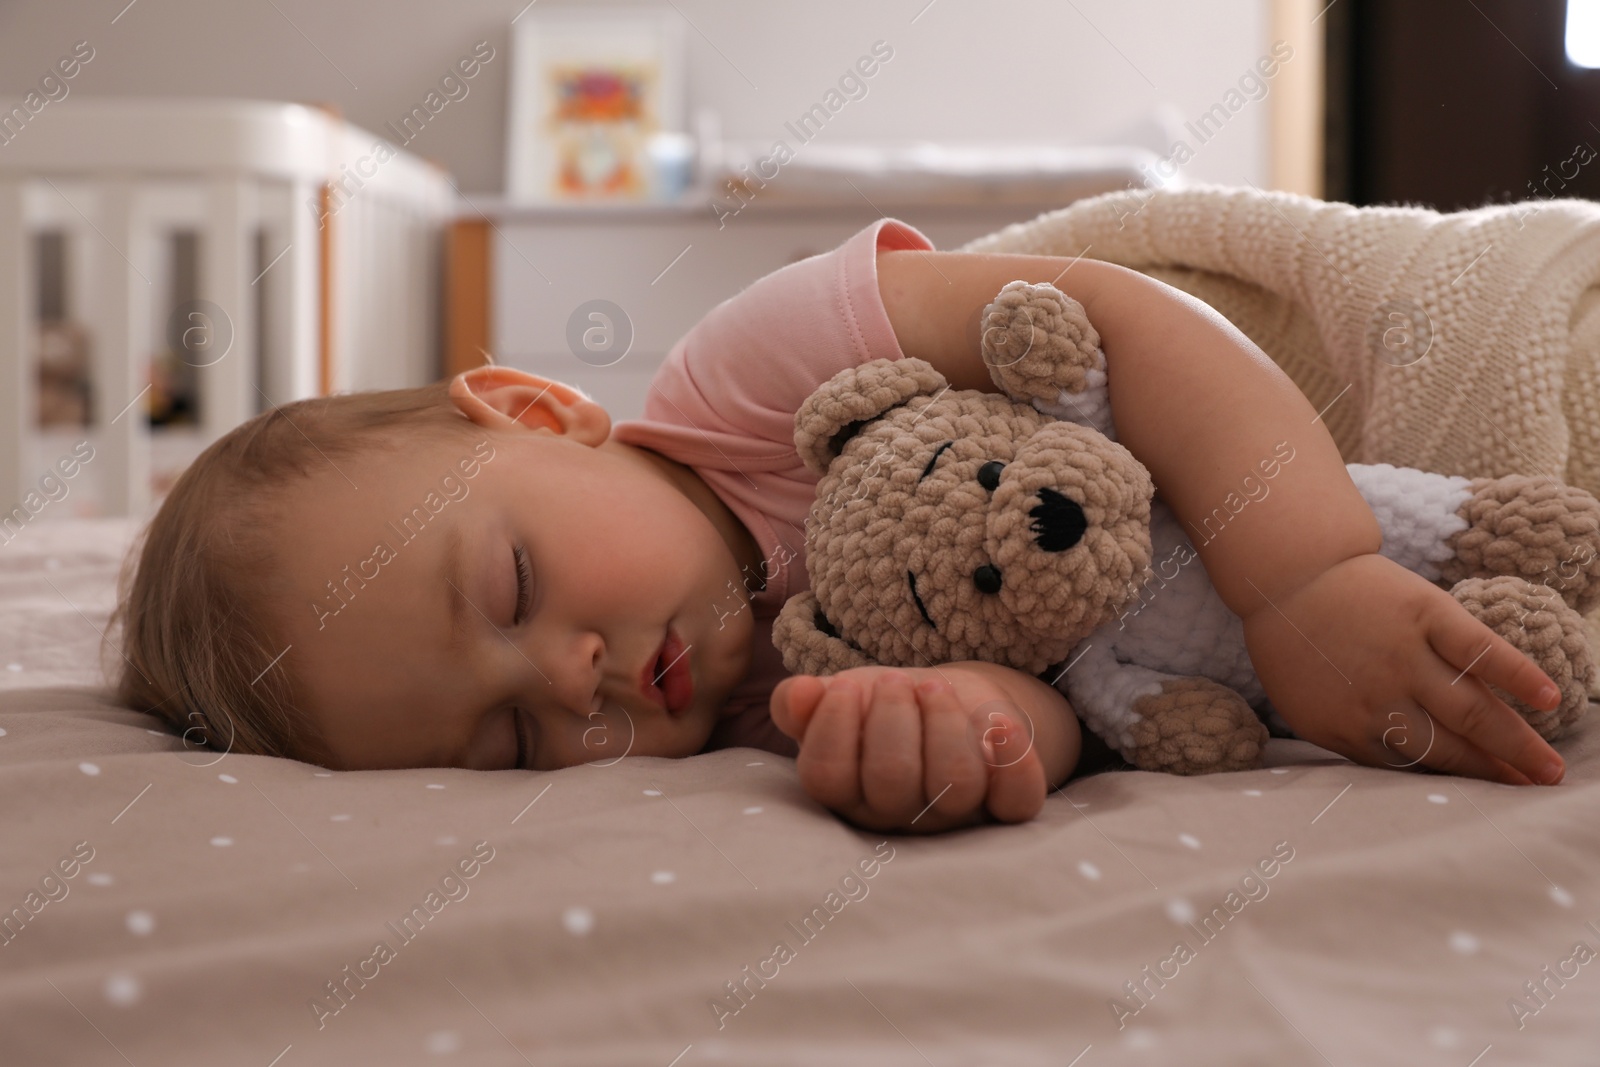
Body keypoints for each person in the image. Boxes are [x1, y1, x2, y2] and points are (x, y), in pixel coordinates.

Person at [111, 218, 1570, 836]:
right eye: (508, 743)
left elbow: (1123, 309)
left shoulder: (760, 375)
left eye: (512, 586)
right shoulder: (755, 720)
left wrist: (1305, 580)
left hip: (1273, 423)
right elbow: (1064, 677)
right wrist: (964, 726)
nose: (570, 684)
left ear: (539, 413)